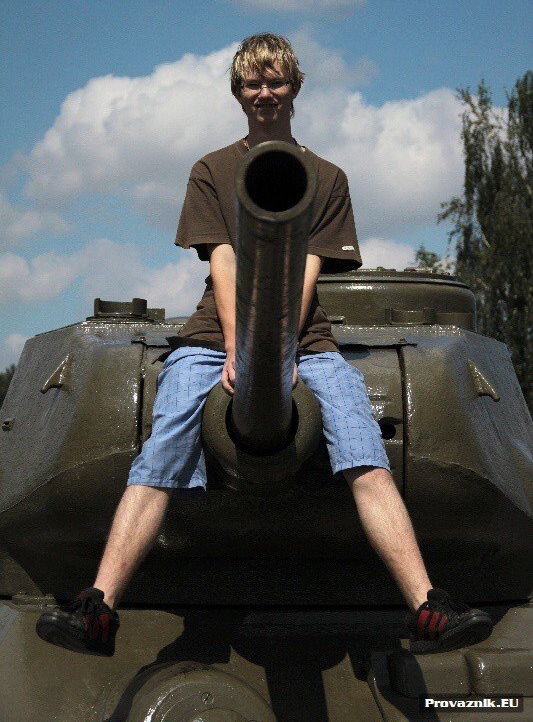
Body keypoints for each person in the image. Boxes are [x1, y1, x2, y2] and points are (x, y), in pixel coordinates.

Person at [36, 33, 493, 657]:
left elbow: (304, 273)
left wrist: (275, 350)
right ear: (238, 93)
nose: (265, 93)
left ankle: (426, 605)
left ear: (295, 88)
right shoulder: (211, 171)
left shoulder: (327, 178)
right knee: (164, 444)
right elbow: (222, 263)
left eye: (276, 81)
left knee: (364, 451)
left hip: (306, 340)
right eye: (253, 83)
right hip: (212, 336)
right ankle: (100, 606)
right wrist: (238, 348)